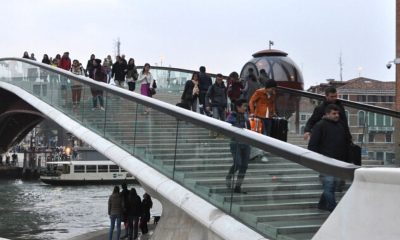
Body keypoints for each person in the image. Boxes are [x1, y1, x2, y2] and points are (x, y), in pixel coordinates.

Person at [308, 104, 350, 212]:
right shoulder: (320, 125)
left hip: (338, 162)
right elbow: (312, 145)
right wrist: (317, 161)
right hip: (325, 162)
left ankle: (322, 205)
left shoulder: (341, 125)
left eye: (338, 113)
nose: (337, 116)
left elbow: (346, 143)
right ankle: (334, 210)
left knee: (332, 185)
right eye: (334, 113)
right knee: (329, 185)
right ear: (327, 114)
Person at [225, 99, 251, 194]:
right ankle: (229, 176)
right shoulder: (232, 116)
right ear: (238, 107)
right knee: (238, 163)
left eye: (246, 106)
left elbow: (249, 130)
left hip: (246, 144)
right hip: (235, 143)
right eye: (244, 106)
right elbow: (228, 126)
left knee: (244, 166)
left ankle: (238, 187)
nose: (246, 108)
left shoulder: (246, 117)